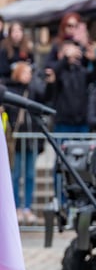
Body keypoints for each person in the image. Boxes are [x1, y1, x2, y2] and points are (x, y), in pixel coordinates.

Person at [5, 61, 49, 224]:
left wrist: (47, 82)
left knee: (30, 174)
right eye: (26, 73)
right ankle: (15, 207)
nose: (29, 76)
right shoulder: (11, 91)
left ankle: (27, 208)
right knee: (16, 175)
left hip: (31, 139)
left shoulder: (33, 89)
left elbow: (45, 97)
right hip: (16, 139)